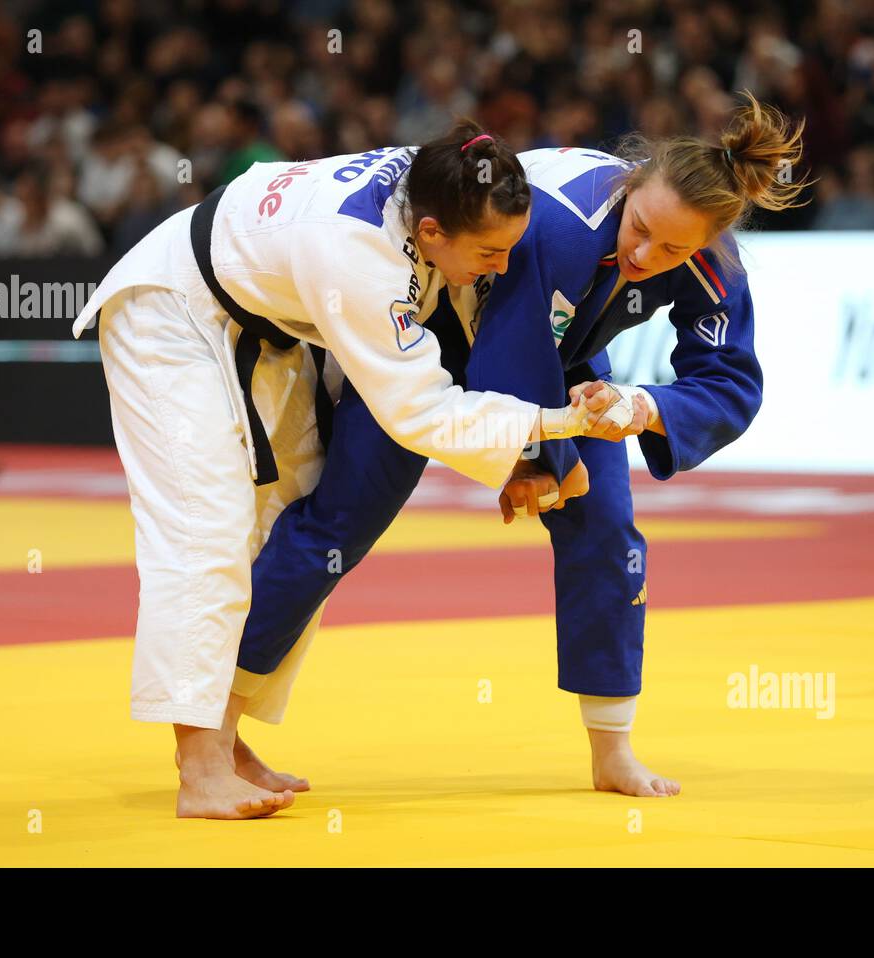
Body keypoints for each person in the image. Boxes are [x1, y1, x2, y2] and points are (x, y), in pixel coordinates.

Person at [235, 94, 808, 798]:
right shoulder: (562, 224)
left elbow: (731, 384)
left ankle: (613, 750)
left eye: (673, 250)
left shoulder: (714, 267)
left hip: (562, 359)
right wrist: (529, 463)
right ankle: (218, 723)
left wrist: (642, 404)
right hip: (434, 332)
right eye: (641, 229)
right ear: (630, 187)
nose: (643, 255)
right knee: (343, 519)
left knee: (607, 532)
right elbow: (502, 360)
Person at [71, 121, 599, 820]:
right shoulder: (362, 258)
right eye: (490, 252)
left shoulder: (445, 177)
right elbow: (419, 413)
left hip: (267, 327)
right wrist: (559, 425)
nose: (503, 267)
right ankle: (197, 767)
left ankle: (224, 738)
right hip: (167, 316)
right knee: (207, 530)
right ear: (434, 232)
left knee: (293, 528)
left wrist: (531, 448)